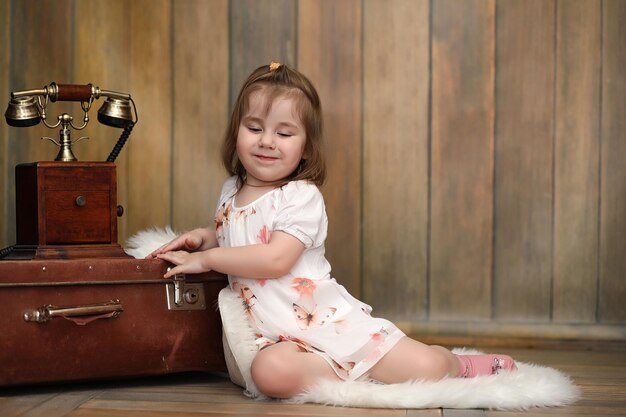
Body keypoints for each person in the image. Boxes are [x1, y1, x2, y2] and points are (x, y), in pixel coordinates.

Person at [148, 62, 517, 399]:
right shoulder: (232, 188)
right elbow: (238, 233)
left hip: (324, 320)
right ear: (236, 131)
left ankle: (458, 364)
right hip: (277, 337)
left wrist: (208, 259)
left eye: (284, 133)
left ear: (306, 147)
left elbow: (276, 257)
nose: (266, 141)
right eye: (254, 128)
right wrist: (204, 237)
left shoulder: (301, 197)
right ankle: (349, 376)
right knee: (269, 374)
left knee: (427, 371)